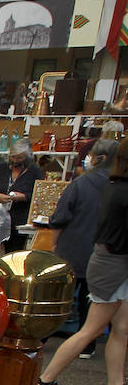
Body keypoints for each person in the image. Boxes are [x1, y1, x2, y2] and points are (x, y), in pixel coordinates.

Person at [36, 139, 128, 385]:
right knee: (92, 329)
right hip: (111, 264)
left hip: (109, 262)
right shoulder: (118, 190)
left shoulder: (112, 187)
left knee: (121, 328)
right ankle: (46, 379)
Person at [43, 139, 119, 358]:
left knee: (60, 295)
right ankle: (87, 345)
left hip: (73, 247)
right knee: (90, 299)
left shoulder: (81, 184)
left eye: (91, 155)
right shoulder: (116, 186)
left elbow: (60, 218)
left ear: (99, 158)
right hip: (103, 253)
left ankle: (43, 335)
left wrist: (55, 243)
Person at [0, 140, 44, 251]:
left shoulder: (34, 172)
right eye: (13, 157)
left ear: (27, 157)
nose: (15, 161)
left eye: (19, 158)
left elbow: (39, 194)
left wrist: (23, 197)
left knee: (13, 254)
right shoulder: (2, 168)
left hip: (17, 220)